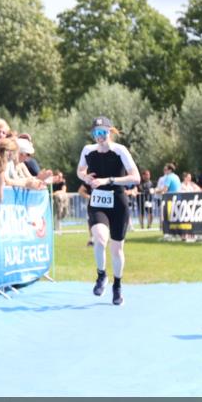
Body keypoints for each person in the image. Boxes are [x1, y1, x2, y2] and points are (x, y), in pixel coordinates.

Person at [77, 116, 140, 306]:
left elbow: (135, 178)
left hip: (117, 202)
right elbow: (80, 171)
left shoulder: (120, 151)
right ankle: (101, 275)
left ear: (110, 132)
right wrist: (85, 177)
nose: (100, 137)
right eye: (96, 133)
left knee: (116, 248)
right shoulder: (88, 150)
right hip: (98, 201)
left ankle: (117, 285)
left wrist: (109, 180)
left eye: (103, 132)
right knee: (99, 238)